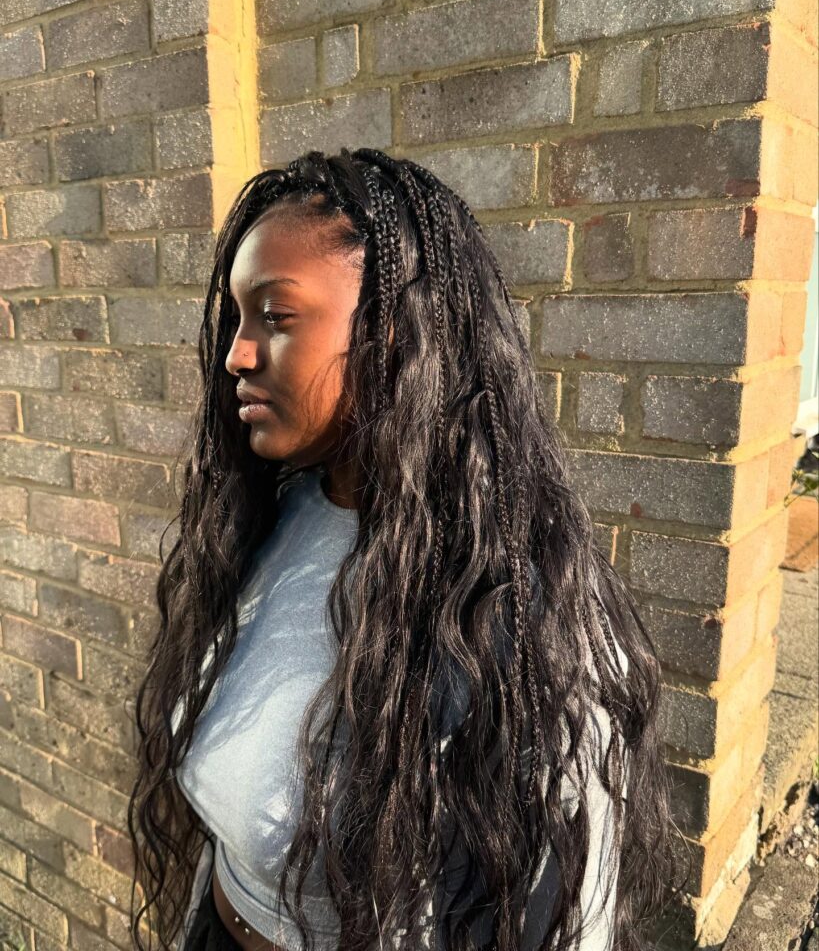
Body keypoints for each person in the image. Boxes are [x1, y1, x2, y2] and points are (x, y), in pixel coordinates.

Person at [127, 148, 682, 951]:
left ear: (397, 333)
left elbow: (561, 920)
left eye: (275, 317)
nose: (235, 355)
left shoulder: (515, 608)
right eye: (237, 320)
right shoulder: (269, 521)